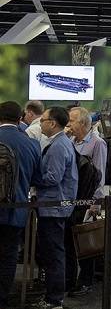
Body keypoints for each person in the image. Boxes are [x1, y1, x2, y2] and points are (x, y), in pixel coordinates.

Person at [34, 107, 78, 309]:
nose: (40, 123)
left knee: (53, 254)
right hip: (56, 205)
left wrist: (32, 179)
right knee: (55, 252)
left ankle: (54, 299)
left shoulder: (58, 146)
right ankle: (54, 296)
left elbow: (53, 177)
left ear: (52, 123)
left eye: (42, 120)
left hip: (54, 206)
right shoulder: (61, 143)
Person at [0, 101, 41, 309]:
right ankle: (2, 298)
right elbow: (38, 179)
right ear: (20, 118)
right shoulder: (30, 144)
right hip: (15, 211)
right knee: (8, 256)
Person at [65, 107, 108, 297]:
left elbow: (99, 174)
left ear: (83, 123)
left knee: (86, 242)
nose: (68, 124)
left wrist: (95, 202)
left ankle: (86, 281)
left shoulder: (97, 143)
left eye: (71, 121)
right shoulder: (70, 141)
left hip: (87, 199)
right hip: (72, 199)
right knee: (70, 241)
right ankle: (69, 279)